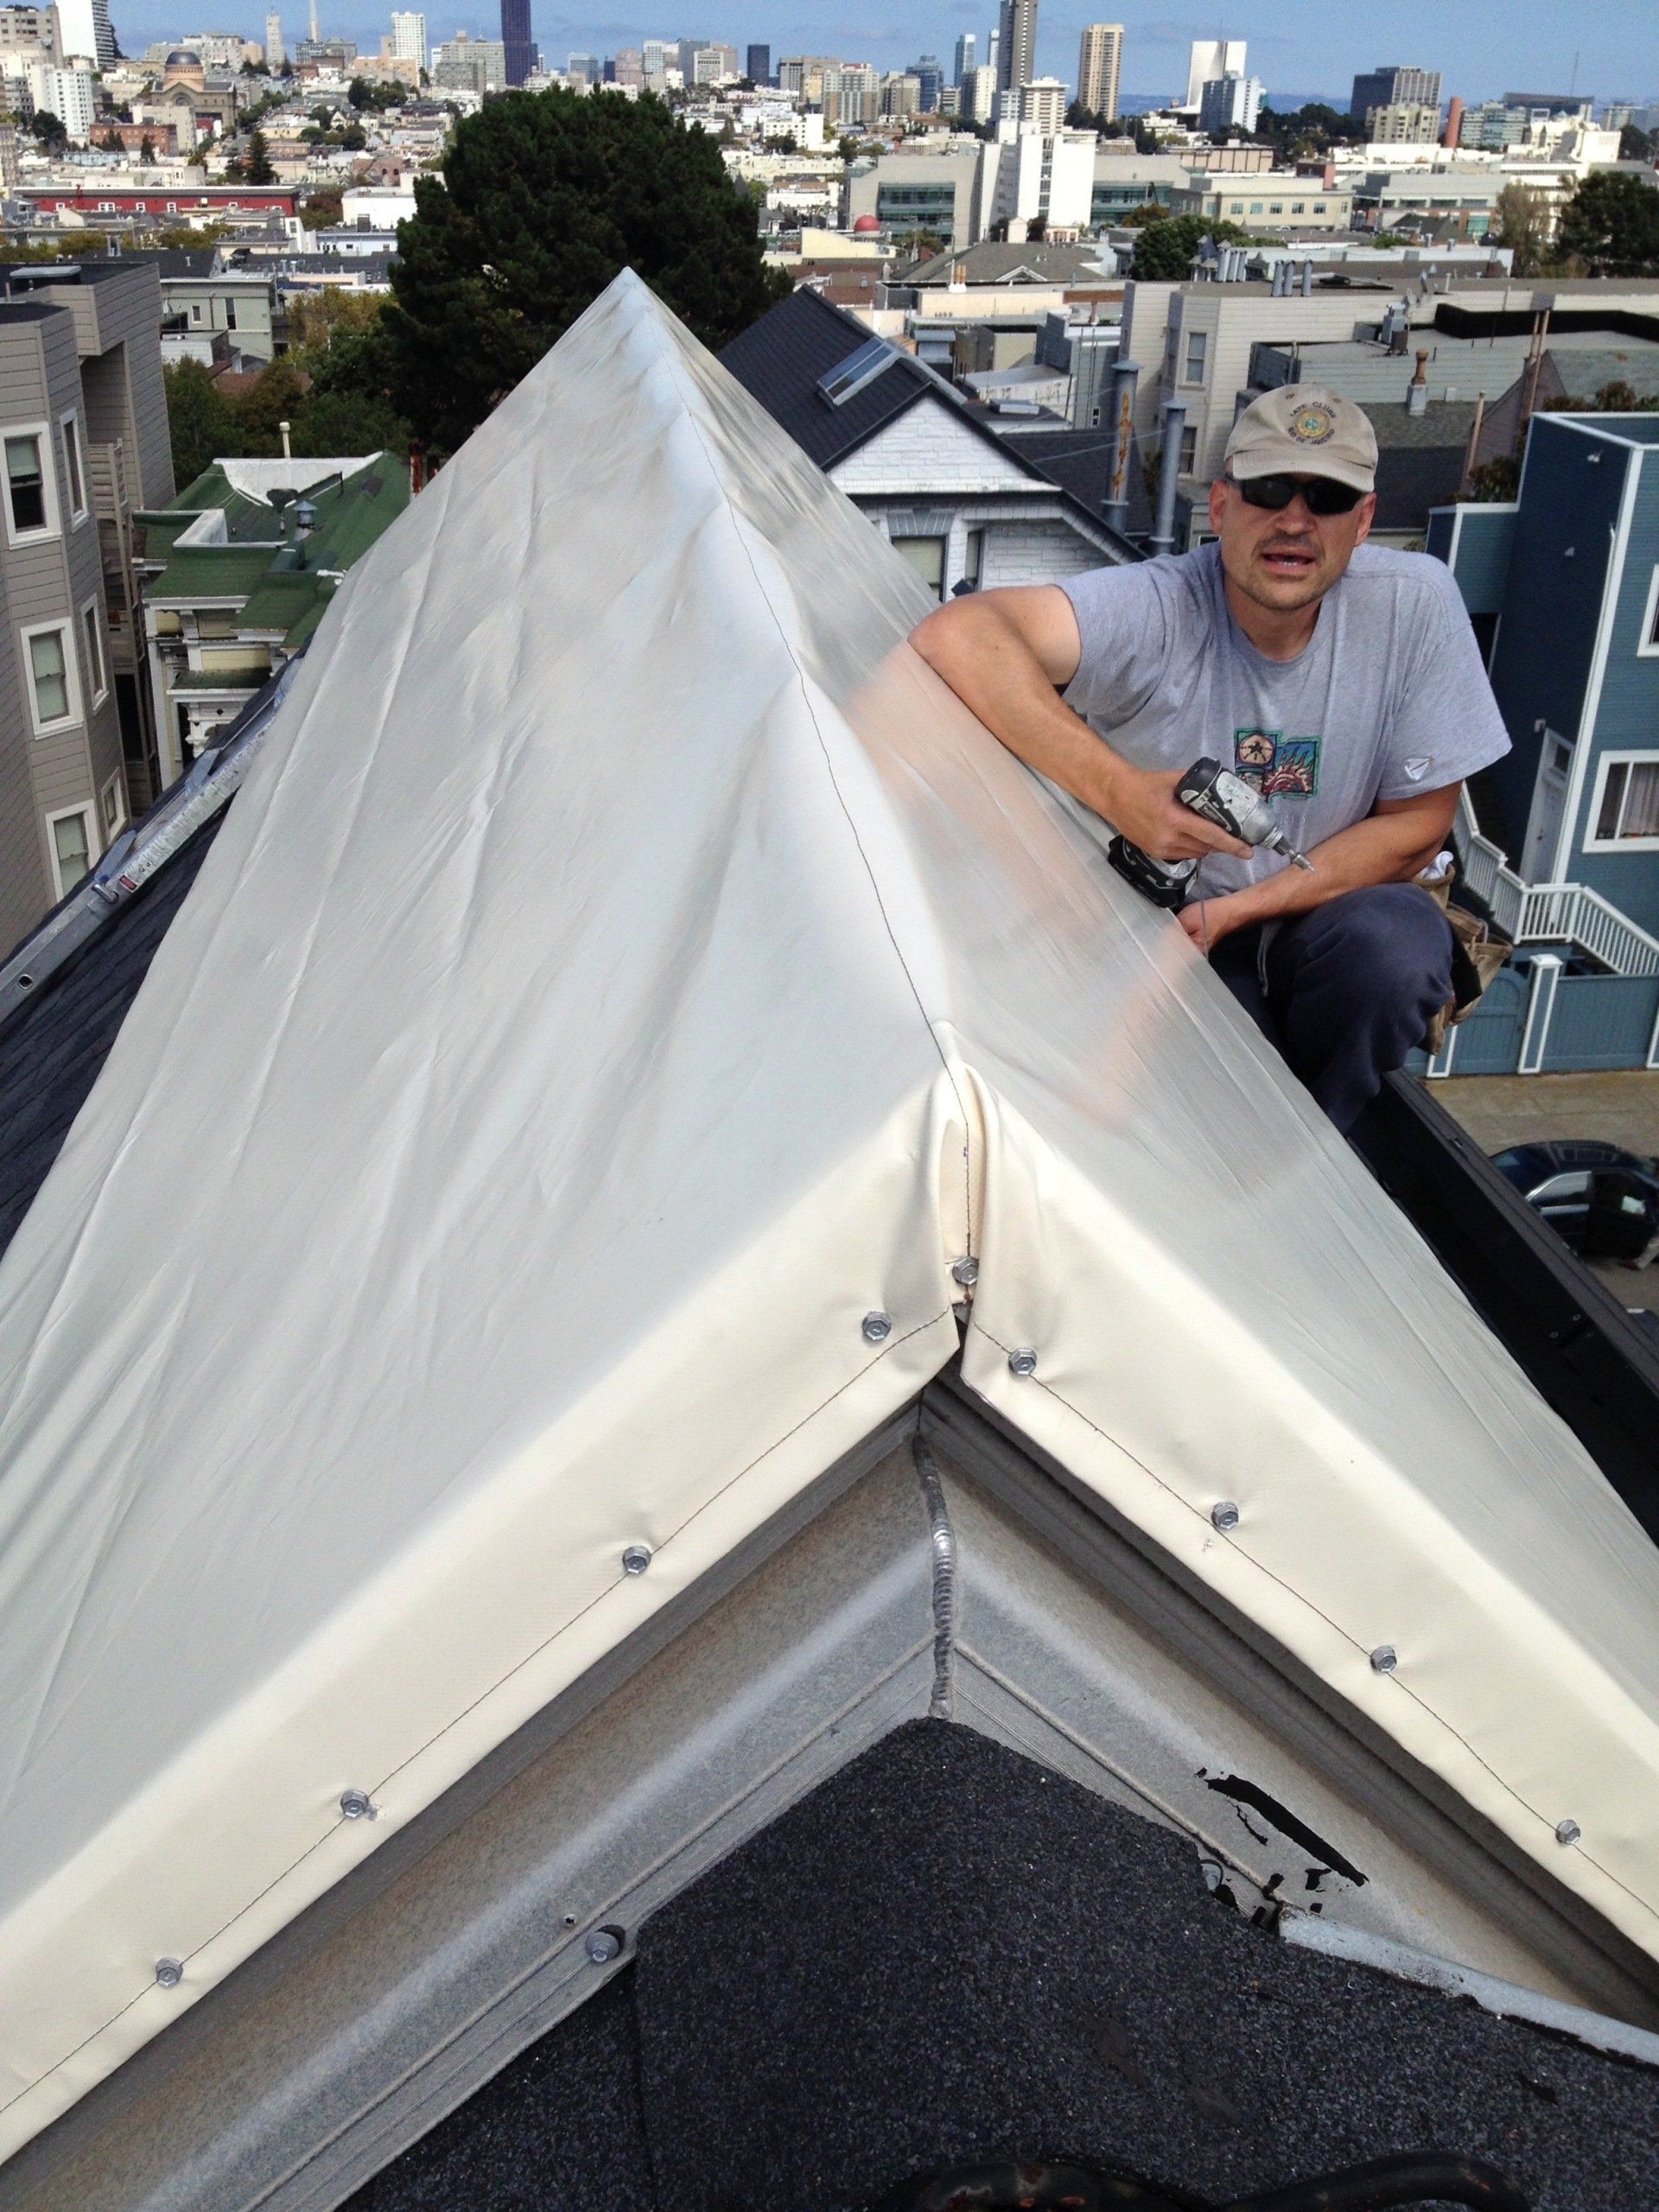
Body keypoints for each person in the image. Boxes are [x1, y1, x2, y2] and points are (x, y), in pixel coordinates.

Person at [910, 384, 1511, 1130]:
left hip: (1325, 911)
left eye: (1326, 498)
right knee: (1191, 1088)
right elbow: (958, 636)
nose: (1295, 520)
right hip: (1167, 931)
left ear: (1362, 523)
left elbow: (1419, 825)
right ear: (1221, 507)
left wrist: (1243, 909)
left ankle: (1318, 1152)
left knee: (1396, 950)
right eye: (1267, 490)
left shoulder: (1414, 604)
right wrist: (1121, 792)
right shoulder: (1159, 609)